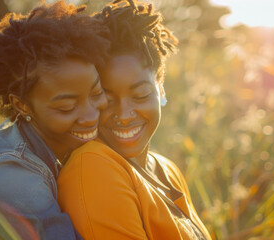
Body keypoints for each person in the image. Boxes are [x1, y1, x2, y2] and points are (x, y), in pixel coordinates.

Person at [0, 1, 110, 239]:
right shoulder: (10, 178)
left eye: (97, 93)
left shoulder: (59, 139)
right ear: (22, 105)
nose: (91, 116)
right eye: (67, 107)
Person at [57, 0, 212, 239]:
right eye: (107, 98)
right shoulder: (91, 166)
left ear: (160, 90)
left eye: (140, 95)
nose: (124, 114)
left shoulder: (166, 169)